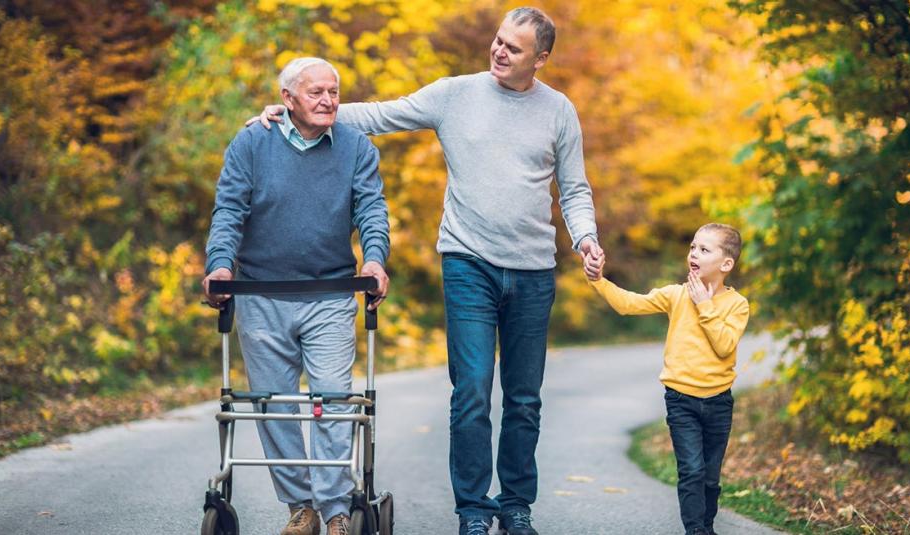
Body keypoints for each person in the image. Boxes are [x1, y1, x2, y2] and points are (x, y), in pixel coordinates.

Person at [247, 6, 602, 535]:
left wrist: (586, 237)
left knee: (524, 397)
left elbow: (573, 188)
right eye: (498, 40)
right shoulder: (455, 94)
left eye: (514, 48)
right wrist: (299, 112)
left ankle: (516, 505)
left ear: (541, 59)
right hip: (468, 262)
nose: (499, 51)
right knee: (474, 390)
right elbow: (380, 115)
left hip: (533, 270)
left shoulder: (558, 111)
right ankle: (474, 511)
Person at [203, 57, 390, 535]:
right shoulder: (251, 142)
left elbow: (371, 209)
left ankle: (335, 511)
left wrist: (373, 259)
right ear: (288, 99)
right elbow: (229, 208)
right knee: (276, 405)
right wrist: (219, 265)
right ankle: (300, 507)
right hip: (261, 293)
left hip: (330, 292)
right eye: (316, 93)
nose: (328, 100)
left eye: (334, 91)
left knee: (331, 401)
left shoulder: (355, 148)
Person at [584, 223, 750, 535]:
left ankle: (706, 526)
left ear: (726, 264)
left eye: (704, 249)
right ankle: (695, 531)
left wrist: (705, 306)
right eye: (692, 247)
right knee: (691, 471)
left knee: (710, 478)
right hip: (680, 400)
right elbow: (629, 304)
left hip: (718, 403)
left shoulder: (737, 305)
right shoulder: (676, 295)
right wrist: (598, 281)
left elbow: (725, 345)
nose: (694, 254)